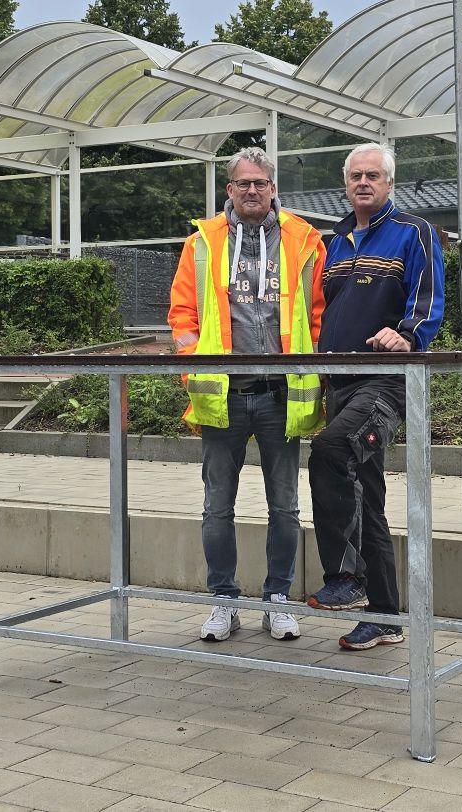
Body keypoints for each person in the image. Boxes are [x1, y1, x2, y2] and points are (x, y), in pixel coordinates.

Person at [168, 147, 327, 642]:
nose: (252, 190)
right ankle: (223, 599)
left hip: (283, 394)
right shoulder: (201, 242)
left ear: (273, 188)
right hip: (224, 396)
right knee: (217, 506)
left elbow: (318, 314)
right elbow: (182, 315)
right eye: (243, 184)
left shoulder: (304, 239)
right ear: (229, 190)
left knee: (284, 506)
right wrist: (192, 369)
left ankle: (277, 598)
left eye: (260, 183)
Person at [306, 142, 444, 651]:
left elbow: (428, 295)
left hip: (385, 380)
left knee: (331, 450)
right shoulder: (335, 240)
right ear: (346, 184)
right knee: (368, 497)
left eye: (373, 176)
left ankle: (347, 577)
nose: (363, 183)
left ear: (389, 183)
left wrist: (407, 332)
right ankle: (385, 618)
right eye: (355, 176)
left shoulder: (414, 232)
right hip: (339, 381)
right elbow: (322, 309)